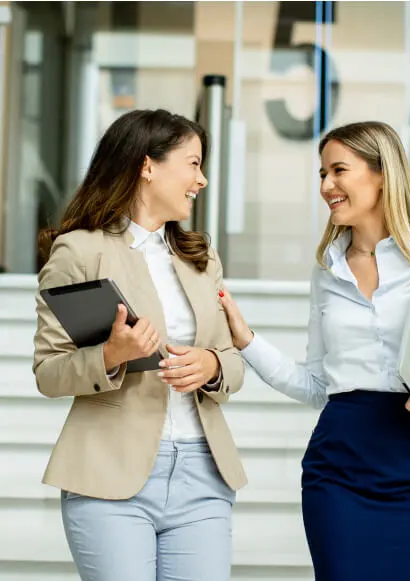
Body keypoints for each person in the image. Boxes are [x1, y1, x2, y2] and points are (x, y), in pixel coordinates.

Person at [218, 121, 410, 581]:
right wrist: (246, 340)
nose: (327, 186)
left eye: (339, 171)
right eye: (322, 174)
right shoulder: (326, 272)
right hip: (338, 471)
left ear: (381, 175)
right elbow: (315, 385)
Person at [33, 109, 247, 581]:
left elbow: (232, 362)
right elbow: (49, 371)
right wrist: (112, 355)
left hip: (202, 473)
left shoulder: (200, 256)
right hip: (110, 474)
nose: (203, 179)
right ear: (148, 166)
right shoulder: (80, 251)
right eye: (193, 164)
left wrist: (211, 364)